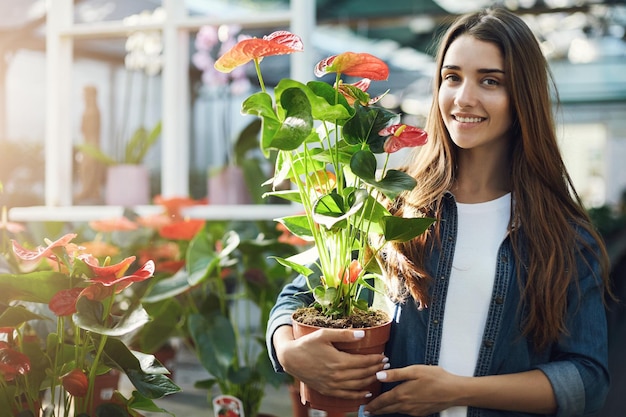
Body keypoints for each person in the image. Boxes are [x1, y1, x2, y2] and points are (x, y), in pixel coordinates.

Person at [266, 7, 613, 417]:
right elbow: (297, 296)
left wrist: (457, 391)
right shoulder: (390, 203)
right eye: (452, 77)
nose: (464, 98)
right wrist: (288, 351)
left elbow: (587, 378)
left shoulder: (563, 235)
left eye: (490, 80)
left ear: (523, 95)